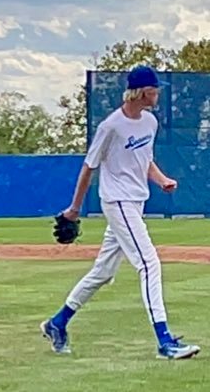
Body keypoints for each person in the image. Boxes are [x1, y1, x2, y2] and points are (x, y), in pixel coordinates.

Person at [40, 65, 201, 360]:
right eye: (154, 89)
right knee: (149, 264)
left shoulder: (149, 122)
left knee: (103, 272)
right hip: (118, 202)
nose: (158, 93)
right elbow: (89, 167)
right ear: (141, 92)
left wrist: (161, 178)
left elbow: (145, 159)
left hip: (135, 202)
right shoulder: (111, 126)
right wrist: (75, 209)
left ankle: (57, 323)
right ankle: (165, 341)